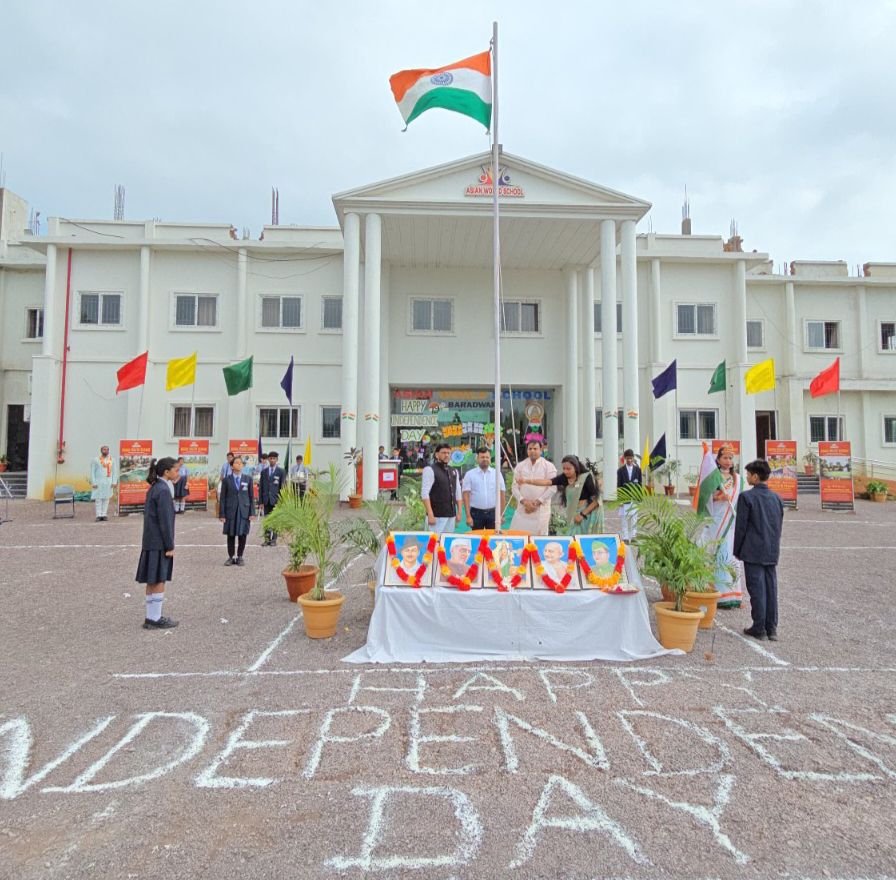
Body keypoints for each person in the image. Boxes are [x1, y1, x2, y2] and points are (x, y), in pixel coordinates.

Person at [733, 459, 785, 641]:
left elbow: (741, 527)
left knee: (757, 589)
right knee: (771, 588)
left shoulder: (747, 497)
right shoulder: (777, 498)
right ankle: (772, 628)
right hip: (771, 549)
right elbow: (779, 524)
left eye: (748, 474)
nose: (747, 477)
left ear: (755, 476)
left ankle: (759, 626)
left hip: (753, 550)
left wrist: (737, 550)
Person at [136, 456, 179, 630]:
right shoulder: (163, 490)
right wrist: (170, 545)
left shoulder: (155, 487)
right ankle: (155, 617)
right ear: (166, 472)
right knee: (159, 578)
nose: (178, 472)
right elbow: (165, 520)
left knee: (151, 579)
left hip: (150, 540)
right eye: (175, 469)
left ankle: (150, 616)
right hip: (159, 542)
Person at [518, 454, 601, 535]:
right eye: (564, 468)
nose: (565, 471)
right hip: (573, 514)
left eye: (568, 469)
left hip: (587, 515)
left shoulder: (586, 478)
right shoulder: (564, 478)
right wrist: (526, 481)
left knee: (582, 540)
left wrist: (582, 514)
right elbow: (547, 482)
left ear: (575, 467)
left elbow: (596, 501)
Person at [707, 445, 743, 608]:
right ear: (718, 459)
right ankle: (717, 593)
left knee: (731, 556)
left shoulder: (737, 478)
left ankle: (733, 594)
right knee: (718, 553)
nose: (728, 461)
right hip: (718, 521)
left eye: (730, 458)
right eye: (725, 458)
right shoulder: (713, 478)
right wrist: (718, 497)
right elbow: (706, 499)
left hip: (732, 522)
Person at [509, 440, 557, 534]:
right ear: (527, 450)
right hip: (523, 509)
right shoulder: (520, 466)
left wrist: (537, 502)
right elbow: (514, 487)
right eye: (530, 449)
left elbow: (552, 488)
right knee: (518, 537)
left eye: (535, 448)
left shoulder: (549, 466)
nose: (532, 451)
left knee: (538, 541)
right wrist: (524, 501)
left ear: (541, 450)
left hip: (540, 510)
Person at [218, 455, 255, 566]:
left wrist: (252, 512)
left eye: (240, 463)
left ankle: (240, 556)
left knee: (243, 534)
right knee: (231, 534)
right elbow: (223, 498)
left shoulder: (248, 479)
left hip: (244, 510)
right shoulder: (226, 480)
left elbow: (251, 496)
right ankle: (230, 556)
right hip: (230, 511)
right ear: (232, 466)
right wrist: (222, 514)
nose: (239, 464)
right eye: (236, 463)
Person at [421, 443, 462, 534]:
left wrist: (459, 512)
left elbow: (458, 493)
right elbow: (424, 493)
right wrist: (430, 514)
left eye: (448, 453)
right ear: (437, 455)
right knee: (433, 543)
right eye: (443, 452)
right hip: (436, 515)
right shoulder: (430, 470)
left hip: (451, 515)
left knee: (447, 543)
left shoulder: (454, 471)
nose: (446, 455)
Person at [463, 447, 506, 531]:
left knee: (493, 539)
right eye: (482, 457)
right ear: (477, 459)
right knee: (476, 539)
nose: (485, 459)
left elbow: (502, 494)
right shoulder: (469, 474)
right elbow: (466, 496)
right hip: (476, 514)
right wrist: (468, 516)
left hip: (494, 513)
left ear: (490, 459)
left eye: (487, 457)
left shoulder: (497, 473)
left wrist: (501, 514)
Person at [260, 450, 287, 546]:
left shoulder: (281, 472)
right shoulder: (264, 472)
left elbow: (283, 487)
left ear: (277, 460)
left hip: (276, 500)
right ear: (268, 459)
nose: (272, 460)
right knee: (267, 520)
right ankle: (267, 539)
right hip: (266, 499)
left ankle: (274, 540)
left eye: (274, 459)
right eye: (270, 458)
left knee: (275, 520)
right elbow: (261, 487)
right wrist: (261, 501)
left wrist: (282, 500)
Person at [617, 449, 642, 540]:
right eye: (627, 458)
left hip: (634, 497)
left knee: (634, 517)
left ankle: (633, 535)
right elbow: (619, 486)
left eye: (631, 458)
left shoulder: (638, 470)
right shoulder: (620, 471)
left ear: (633, 458)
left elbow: (640, 485)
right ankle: (625, 536)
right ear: (625, 458)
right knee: (624, 518)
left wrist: (639, 498)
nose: (629, 460)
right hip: (624, 498)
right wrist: (620, 499)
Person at [89, 444, 118, 521]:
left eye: (107, 449)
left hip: (108, 482)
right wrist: (93, 482)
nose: (106, 451)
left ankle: (104, 514)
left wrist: (114, 482)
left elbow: (115, 472)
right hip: (98, 482)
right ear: (101, 450)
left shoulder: (112, 460)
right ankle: (98, 515)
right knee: (98, 499)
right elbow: (92, 472)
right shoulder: (96, 460)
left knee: (106, 498)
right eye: (104, 449)